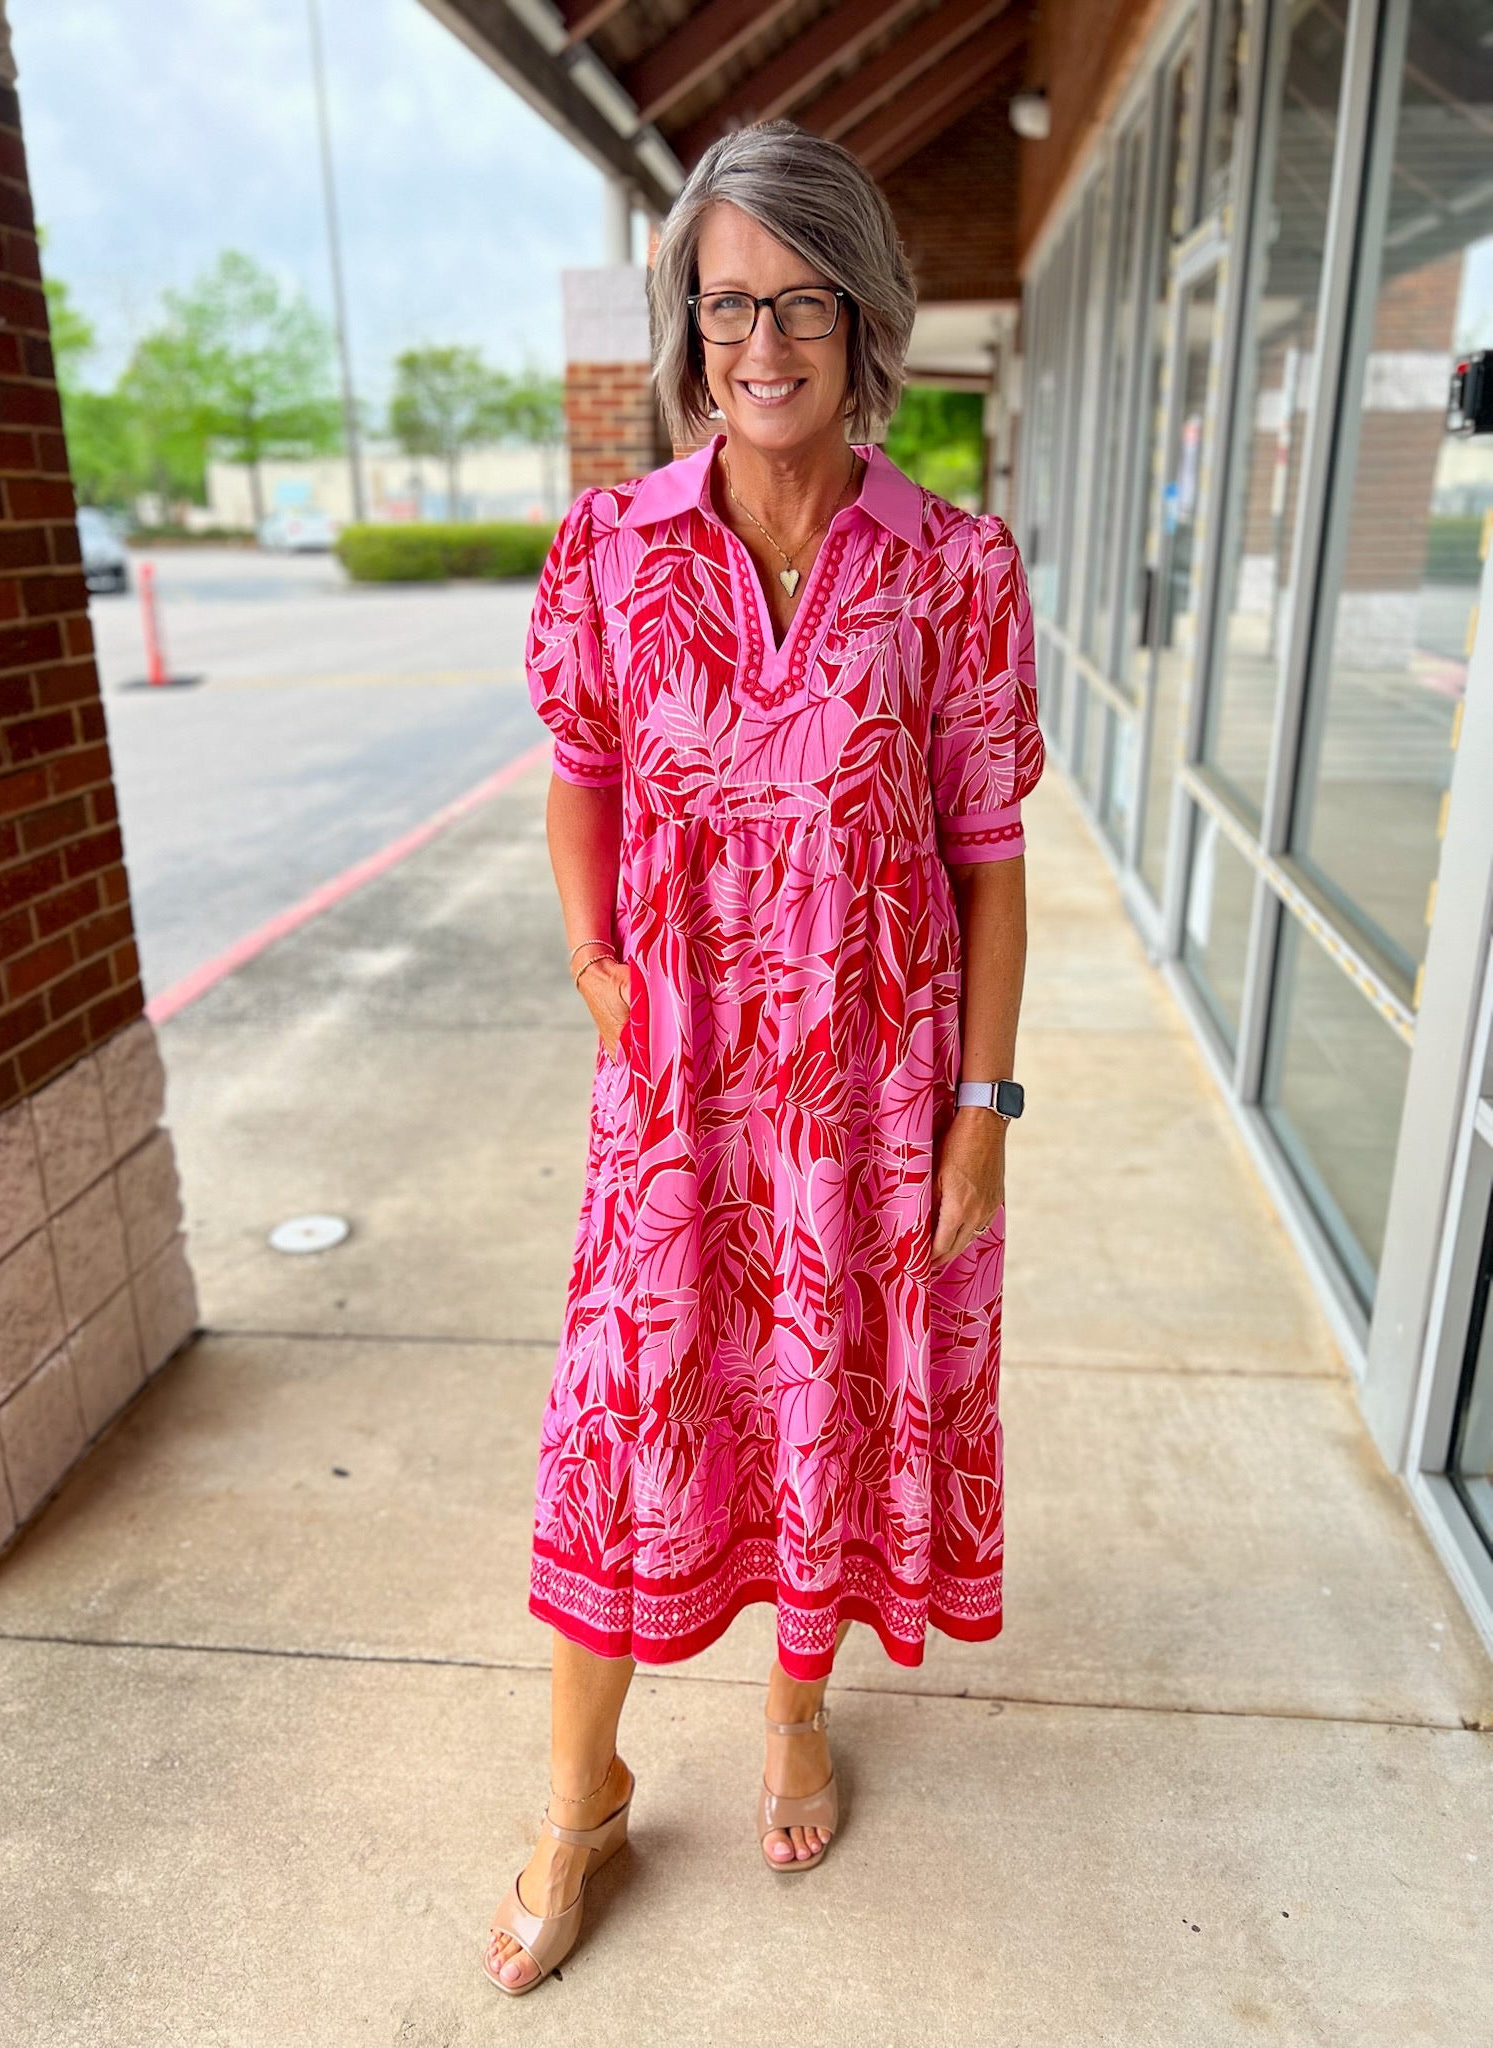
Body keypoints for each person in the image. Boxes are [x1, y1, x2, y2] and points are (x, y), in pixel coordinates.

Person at [485, 117, 1044, 1995]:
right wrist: (595, 959)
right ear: (689, 325)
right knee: (623, 1419)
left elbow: (988, 855)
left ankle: (796, 1710)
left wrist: (983, 1109)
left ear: (863, 315)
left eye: (802, 299)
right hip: (680, 1091)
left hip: (877, 1098)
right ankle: (582, 1794)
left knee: (822, 1404)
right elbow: (580, 771)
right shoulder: (615, 547)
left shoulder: (954, 568)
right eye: (727, 305)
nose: (763, 342)